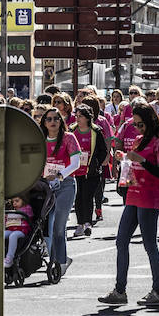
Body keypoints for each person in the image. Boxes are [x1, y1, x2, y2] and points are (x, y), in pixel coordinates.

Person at [99, 102, 159, 307]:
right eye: (136, 125)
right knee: (121, 241)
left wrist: (141, 160)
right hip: (133, 194)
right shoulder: (138, 140)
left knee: (150, 245)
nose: (138, 129)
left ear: (150, 121)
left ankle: (158, 291)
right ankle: (119, 290)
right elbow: (134, 165)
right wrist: (126, 167)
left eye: (141, 124)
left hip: (149, 197)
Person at [38, 107, 81, 274]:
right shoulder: (40, 139)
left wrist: (59, 175)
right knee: (47, 227)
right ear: (44, 122)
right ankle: (55, 259)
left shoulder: (69, 138)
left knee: (58, 226)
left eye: (56, 118)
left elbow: (75, 163)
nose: (52, 122)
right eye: (48, 119)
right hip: (44, 187)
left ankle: (60, 262)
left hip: (66, 185)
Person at [71, 104, 109, 238]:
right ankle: (80, 224)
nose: (77, 118)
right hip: (75, 171)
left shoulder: (96, 131)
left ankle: (87, 223)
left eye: (80, 116)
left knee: (87, 197)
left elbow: (103, 150)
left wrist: (96, 163)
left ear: (88, 118)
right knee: (78, 198)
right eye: (76, 116)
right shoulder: (72, 130)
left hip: (91, 172)